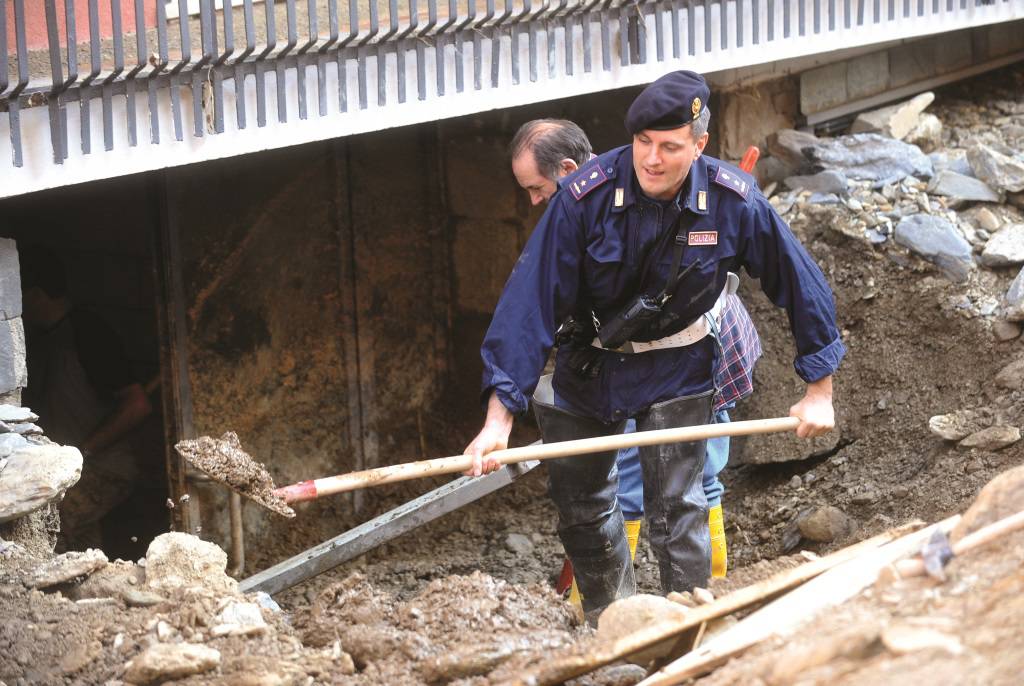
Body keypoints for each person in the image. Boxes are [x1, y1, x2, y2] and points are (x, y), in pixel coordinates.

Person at [467, 71, 844, 624]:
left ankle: (689, 626)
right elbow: (529, 303)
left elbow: (800, 282)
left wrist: (819, 389)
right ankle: (608, 625)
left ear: (699, 144)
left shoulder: (731, 201)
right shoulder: (583, 197)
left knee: (679, 507)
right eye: (643, 142)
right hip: (591, 364)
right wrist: (500, 417)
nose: (651, 159)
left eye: (669, 146)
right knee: (584, 506)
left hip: (678, 364)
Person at [508, 119, 762, 584]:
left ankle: (695, 593)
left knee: (682, 475)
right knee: (664, 475)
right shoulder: (589, 203)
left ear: (567, 168)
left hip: (697, 349)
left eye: (538, 187)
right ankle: (618, 599)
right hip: (644, 353)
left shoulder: (633, 199)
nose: (534, 201)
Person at [19, 245, 153, 551]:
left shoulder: (88, 333)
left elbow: (138, 405)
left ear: (36, 294)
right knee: (82, 549)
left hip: (103, 468)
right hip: (71, 472)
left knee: (48, 525)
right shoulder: (47, 340)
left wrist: (83, 452)